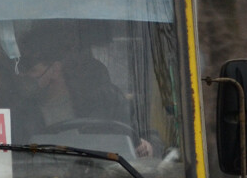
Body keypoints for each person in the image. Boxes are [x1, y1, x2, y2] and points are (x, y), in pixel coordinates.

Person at [14, 29, 158, 158]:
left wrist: (149, 147)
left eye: (31, 70)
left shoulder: (106, 100)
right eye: (20, 70)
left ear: (55, 69)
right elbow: (15, 159)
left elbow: (148, 136)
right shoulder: (20, 114)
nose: (22, 76)